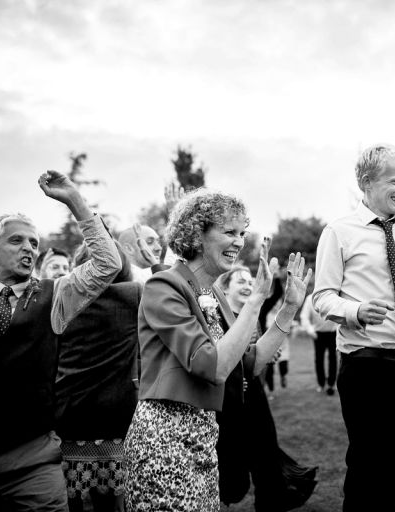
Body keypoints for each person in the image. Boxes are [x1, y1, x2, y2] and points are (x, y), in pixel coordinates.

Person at [123, 189, 311, 511]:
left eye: (242, 232)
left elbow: (248, 363)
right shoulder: (163, 287)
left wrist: (289, 309)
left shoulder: (214, 293)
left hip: (207, 436)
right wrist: (255, 301)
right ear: (197, 234)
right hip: (165, 439)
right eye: (229, 232)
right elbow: (213, 367)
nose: (239, 242)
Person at [0, 170, 122, 511]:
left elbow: (108, 263)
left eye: (34, 243)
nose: (29, 249)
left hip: (33, 460)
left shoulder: (56, 294)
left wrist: (75, 200)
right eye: (17, 241)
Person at [313, 143, 395, 512]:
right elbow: (322, 297)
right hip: (364, 365)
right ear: (367, 183)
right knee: (368, 468)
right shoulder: (338, 231)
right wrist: (355, 310)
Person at [216, 267, 318, 511]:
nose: (247, 285)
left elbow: (255, 355)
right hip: (227, 398)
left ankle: (270, 500)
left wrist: (266, 353)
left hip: (254, 393)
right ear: (225, 287)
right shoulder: (216, 315)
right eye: (240, 280)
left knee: (267, 457)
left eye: (250, 281)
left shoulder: (254, 315)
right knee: (231, 466)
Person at [54, 241, 140, 512]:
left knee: (71, 502)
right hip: (115, 415)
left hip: (67, 412)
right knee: (114, 504)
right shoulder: (133, 294)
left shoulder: (60, 295)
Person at [300, 290, 339, 395]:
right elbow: (304, 317)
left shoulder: (333, 295)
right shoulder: (310, 299)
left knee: (333, 358)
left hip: (333, 333)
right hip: (318, 334)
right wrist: (310, 330)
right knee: (319, 359)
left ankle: (331, 384)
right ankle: (321, 384)